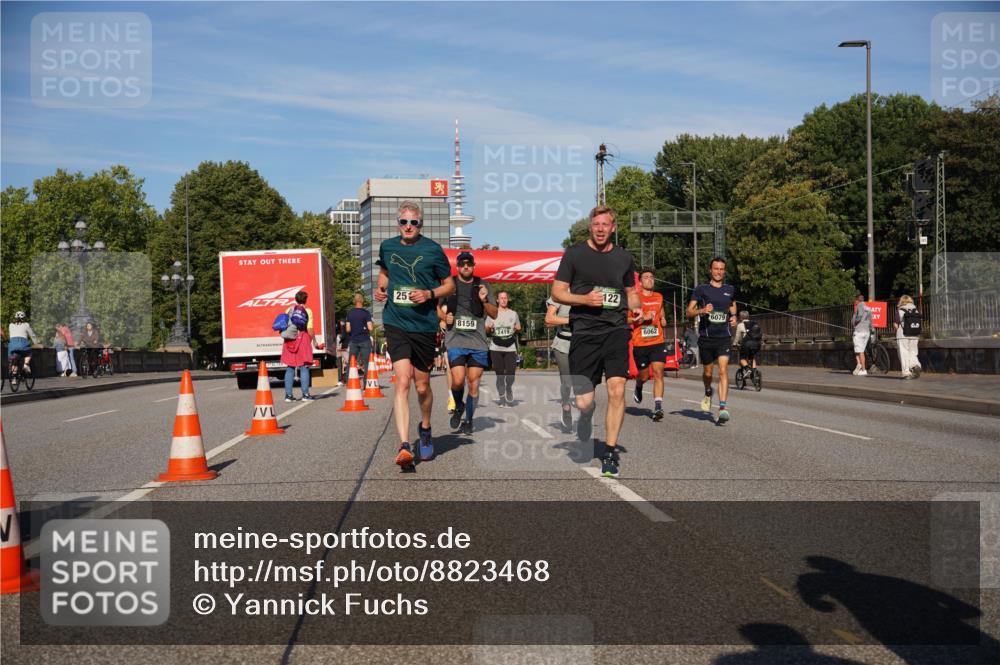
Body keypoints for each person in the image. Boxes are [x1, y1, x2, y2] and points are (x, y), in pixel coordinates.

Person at [552, 205, 641, 478]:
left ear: (613, 227)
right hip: (584, 333)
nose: (601, 229)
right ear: (590, 227)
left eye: (606, 225)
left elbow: (630, 291)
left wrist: (635, 306)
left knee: (617, 391)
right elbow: (558, 292)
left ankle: (610, 452)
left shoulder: (624, 257)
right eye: (596, 224)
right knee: (583, 402)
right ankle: (586, 417)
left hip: (616, 330)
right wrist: (584, 299)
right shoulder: (575, 254)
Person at [373, 200, 455, 468]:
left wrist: (429, 294)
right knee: (403, 381)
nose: (408, 227)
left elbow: (449, 286)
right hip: (396, 321)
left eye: (414, 222)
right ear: (399, 223)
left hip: (424, 325)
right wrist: (381, 289)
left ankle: (427, 427)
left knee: (422, 386)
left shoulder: (432, 250)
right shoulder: (388, 246)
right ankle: (405, 445)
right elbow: (385, 272)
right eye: (404, 222)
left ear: (421, 224)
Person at [438, 251, 498, 435]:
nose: (466, 266)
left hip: (478, 342)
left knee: (473, 383)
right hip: (455, 339)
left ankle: (469, 421)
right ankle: (458, 406)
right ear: (457, 267)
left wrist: (485, 300)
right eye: (462, 264)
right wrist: (444, 317)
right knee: (457, 381)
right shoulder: (449, 285)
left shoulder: (483, 285)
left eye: (469, 264)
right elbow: (436, 309)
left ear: (473, 266)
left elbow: (494, 314)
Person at [687, 257, 737, 424]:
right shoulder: (701, 289)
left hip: (724, 337)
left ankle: (722, 407)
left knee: (723, 370)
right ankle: (708, 391)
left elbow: (732, 305)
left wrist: (734, 317)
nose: (719, 272)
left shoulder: (730, 289)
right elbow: (689, 312)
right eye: (716, 269)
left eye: (722, 269)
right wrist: (702, 310)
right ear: (710, 270)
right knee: (708, 373)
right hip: (707, 339)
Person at [630, 269, 668, 421]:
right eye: (646, 277)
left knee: (658, 373)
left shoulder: (659, 296)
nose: (650, 280)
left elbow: (661, 311)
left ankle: (658, 407)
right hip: (640, 343)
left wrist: (663, 319)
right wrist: (643, 318)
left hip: (657, 341)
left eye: (652, 277)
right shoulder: (635, 299)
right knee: (644, 375)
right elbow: (629, 319)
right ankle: (639, 385)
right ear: (640, 282)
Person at [280, 290, 320, 402]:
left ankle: (288, 396)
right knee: (304, 366)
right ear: (306, 299)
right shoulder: (308, 311)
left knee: (290, 367)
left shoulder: (289, 309)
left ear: (295, 299)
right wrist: (315, 342)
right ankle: (305, 395)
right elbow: (310, 328)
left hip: (290, 340)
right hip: (303, 339)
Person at [486, 292, 522, 406]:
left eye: (505, 298)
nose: (503, 300)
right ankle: (502, 396)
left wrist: (517, 328)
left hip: (510, 348)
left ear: (508, 299)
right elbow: (487, 330)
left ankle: (509, 388)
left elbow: (519, 327)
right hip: (496, 348)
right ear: (497, 300)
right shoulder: (492, 313)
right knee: (500, 374)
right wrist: (488, 328)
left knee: (511, 374)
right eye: (501, 298)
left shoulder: (513, 313)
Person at [545, 295, 574, 431]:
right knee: (567, 381)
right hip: (563, 343)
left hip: (583, 343)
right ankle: (566, 406)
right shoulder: (559, 294)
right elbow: (549, 321)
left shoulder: (588, 291)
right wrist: (571, 320)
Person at [893, 294, 923, 380]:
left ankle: (906, 372)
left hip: (903, 335)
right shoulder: (915, 310)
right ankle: (915, 365)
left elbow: (896, 324)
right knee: (913, 351)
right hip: (915, 334)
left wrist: (897, 329)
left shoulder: (900, 310)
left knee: (903, 352)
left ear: (901, 301)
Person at [346, 293, 374, 373]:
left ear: (354, 301)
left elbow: (348, 329)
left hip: (353, 340)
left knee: (351, 361)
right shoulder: (366, 313)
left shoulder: (350, 313)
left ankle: (349, 381)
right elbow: (370, 328)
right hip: (365, 340)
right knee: (367, 362)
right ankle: (366, 383)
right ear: (362, 301)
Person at [851, 293, 872, 376]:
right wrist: (871, 329)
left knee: (860, 351)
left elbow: (859, 317)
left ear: (857, 300)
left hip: (859, 331)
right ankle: (859, 364)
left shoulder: (859, 306)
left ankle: (863, 369)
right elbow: (871, 320)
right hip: (867, 331)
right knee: (859, 350)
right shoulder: (868, 308)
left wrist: (855, 322)